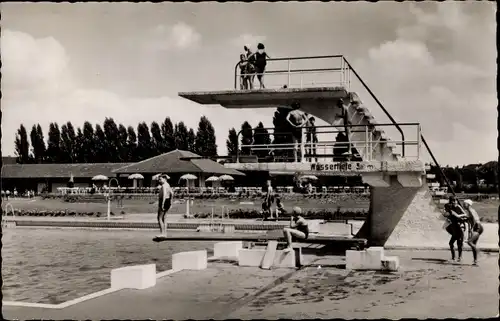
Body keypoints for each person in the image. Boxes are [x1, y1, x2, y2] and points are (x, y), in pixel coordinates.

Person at [443, 196, 468, 262]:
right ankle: (453, 257)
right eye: (452, 200)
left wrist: (457, 215)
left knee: (459, 243)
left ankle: (460, 257)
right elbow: (445, 214)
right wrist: (448, 216)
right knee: (451, 243)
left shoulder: (458, 207)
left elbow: (465, 214)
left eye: (454, 200)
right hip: (454, 227)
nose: (453, 202)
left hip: (459, 226)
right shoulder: (449, 207)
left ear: (456, 201)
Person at [463, 199, 483, 265]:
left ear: (468, 204)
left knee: (469, 242)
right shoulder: (468, 211)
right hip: (476, 227)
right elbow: (470, 221)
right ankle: (475, 261)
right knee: (473, 244)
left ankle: (480, 253)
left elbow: (475, 220)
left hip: (477, 227)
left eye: (464, 203)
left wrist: (471, 229)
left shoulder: (471, 210)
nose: (463, 204)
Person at [156, 174, 174, 238]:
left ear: (165, 179)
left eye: (160, 179)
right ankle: (165, 233)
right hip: (168, 202)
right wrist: (171, 202)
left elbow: (164, 195)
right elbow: (172, 193)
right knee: (165, 218)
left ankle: (162, 233)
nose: (159, 180)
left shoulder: (164, 185)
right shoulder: (168, 185)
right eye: (158, 179)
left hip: (163, 202)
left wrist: (162, 204)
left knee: (159, 218)